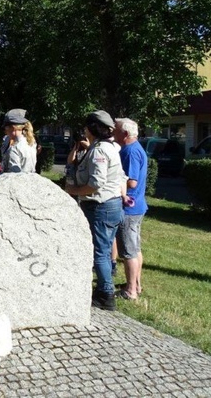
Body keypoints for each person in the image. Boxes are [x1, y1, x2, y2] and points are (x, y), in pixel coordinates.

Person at [65, 110, 125, 311]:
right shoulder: (107, 147)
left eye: (86, 126)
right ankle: (103, 287)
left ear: (92, 128)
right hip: (111, 204)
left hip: (101, 206)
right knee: (105, 249)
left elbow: (96, 183)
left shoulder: (99, 151)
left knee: (100, 252)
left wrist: (73, 190)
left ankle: (106, 294)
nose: (83, 130)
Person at [113, 118, 148, 300]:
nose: (113, 133)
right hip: (137, 206)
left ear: (125, 134)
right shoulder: (133, 148)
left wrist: (112, 179)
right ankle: (136, 284)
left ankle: (130, 291)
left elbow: (132, 180)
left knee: (128, 251)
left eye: (116, 130)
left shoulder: (130, 151)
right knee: (135, 248)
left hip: (130, 208)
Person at [1, 109, 37, 173]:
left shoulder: (15, 148)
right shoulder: (31, 143)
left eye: (6, 128)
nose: (5, 131)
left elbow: (13, 175)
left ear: (13, 128)